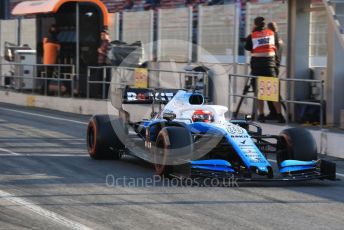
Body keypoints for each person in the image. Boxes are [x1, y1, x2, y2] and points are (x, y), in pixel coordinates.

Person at [244, 17, 285, 123]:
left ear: (255, 24)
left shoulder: (251, 36)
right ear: (264, 24)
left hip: (257, 68)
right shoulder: (271, 33)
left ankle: (261, 115)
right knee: (273, 93)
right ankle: (280, 115)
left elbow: (248, 47)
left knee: (259, 93)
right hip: (270, 67)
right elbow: (276, 44)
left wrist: (253, 32)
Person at [43, 24, 63, 95]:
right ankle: (45, 90)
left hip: (45, 60)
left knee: (46, 76)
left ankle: (43, 90)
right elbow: (59, 51)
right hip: (52, 61)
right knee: (48, 76)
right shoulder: (56, 41)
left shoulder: (46, 39)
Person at [95, 29, 111, 98]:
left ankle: (104, 95)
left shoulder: (108, 43)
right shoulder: (103, 42)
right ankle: (101, 94)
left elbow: (110, 54)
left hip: (105, 64)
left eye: (103, 34)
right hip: (101, 63)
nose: (102, 36)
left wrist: (101, 52)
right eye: (101, 35)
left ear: (107, 35)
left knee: (104, 79)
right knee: (100, 79)